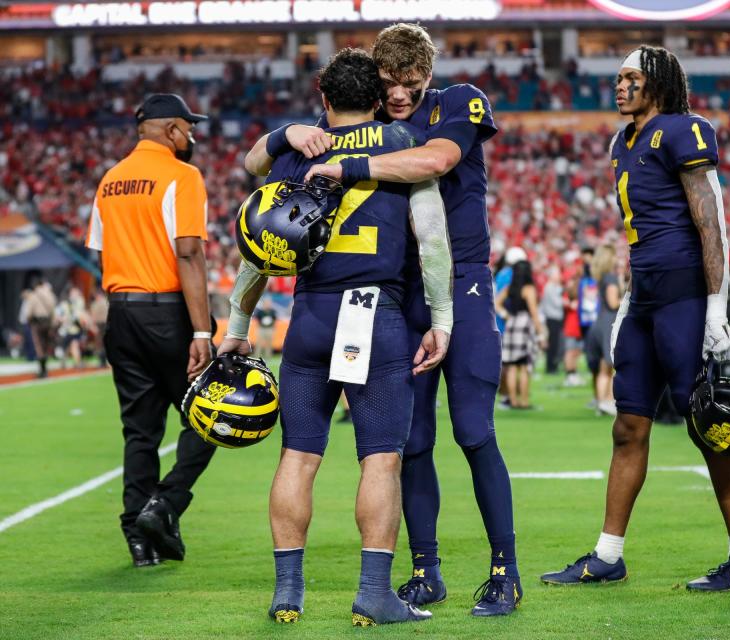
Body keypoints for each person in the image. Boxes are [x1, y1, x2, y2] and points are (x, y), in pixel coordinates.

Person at [248, 23, 522, 616]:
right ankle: (422, 571)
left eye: (411, 82)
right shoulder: (368, 132)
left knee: (472, 430)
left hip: (451, 280)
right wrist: (291, 132)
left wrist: (309, 149)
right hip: (392, 296)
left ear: (429, 76)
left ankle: (505, 570)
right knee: (407, 442)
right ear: (374, 85)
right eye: (389, 83)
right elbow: (421, 223)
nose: (400, 93)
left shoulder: (450, 105)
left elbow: (437, 158)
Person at [220, 48, 453, 626]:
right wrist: (442, 320)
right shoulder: (399, 143)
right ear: (377, 96)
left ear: (323, 96)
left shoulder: (301, 149)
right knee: (380, 461)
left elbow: (260, 250)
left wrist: (237, 326)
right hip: (376, 315)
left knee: (298, 457)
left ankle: (287, 592)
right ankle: (373, 593)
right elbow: (431, 239)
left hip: (312, 317)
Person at [540, 45, 730, 591]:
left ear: (658, 82)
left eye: (630, 78)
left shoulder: (684, 129)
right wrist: (627, 300)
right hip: (643, 298)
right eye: (617, 78)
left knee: (713, 426)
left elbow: (711, 223)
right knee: (628, 425)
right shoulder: (623, 141)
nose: (619, 87)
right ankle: (608, 554)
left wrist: (717, 308)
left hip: (685, 295)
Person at [85, 92, 216, 568]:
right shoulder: (183, 176)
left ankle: (138, 540)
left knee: (139, 432)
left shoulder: (110, 180)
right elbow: (189, 253)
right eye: (189, 127)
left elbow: (101, 251)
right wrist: (201, 332)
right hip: (169, 313)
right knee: (210, 415)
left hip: (121, 312)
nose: (194, 135)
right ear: (171, 131)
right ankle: (166, 504)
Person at [495, 259, 546, 409]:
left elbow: (496, 303)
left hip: (511, 324)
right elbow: (534, 313)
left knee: (511, 366)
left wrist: (506, 315)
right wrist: (541, 334)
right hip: (525, 324)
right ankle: (523, 401)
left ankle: (513, 400)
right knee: (524, 365)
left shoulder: (509, 287)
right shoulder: (529, 289)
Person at [584, 244, 621, 416]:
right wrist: (629, 301)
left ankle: (601, 402)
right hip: (609, 322)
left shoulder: (600, 277)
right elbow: (613, 303)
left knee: (602, 366)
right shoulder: (611, 278)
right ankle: (608, 400)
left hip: (599, 321)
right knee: (611, 365)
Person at [23, 275, 57, 378]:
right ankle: (45, 370)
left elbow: (28, 312)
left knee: (39, 346)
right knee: (46, 345)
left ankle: (42, 371)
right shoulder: (50, 294)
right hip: (48, 322)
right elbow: (53, 309)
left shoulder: (33, 295)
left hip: (37, 322)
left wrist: (28, 321)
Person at [541, 266, 566, 374]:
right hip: (552, 319)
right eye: (557, 275)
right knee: (552, 345)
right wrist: (567, 302)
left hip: (556, 319)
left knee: (556, 344)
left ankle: (553, 366)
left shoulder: (555, 286)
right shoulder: (549, 287)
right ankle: (550, 367)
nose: (559, 277)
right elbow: (557, 302)